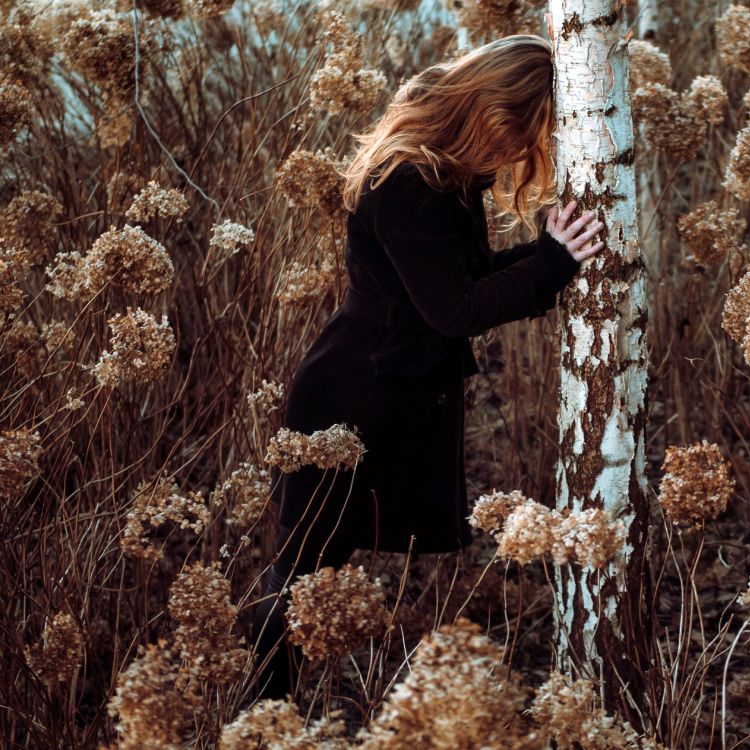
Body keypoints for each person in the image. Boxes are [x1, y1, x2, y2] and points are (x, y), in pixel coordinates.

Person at [249, 33, 604, 702]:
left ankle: (272, 709)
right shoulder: (408, 180)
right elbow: (454, 309)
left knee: (312, 570)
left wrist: (550, 256)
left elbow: (461, 280)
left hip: (388, 389)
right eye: (520, 134)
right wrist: (551, 265)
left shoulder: (444, 175)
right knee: (303, 573)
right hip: (352, 400)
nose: (518, 155)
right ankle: (261, 715)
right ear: (493, 112)